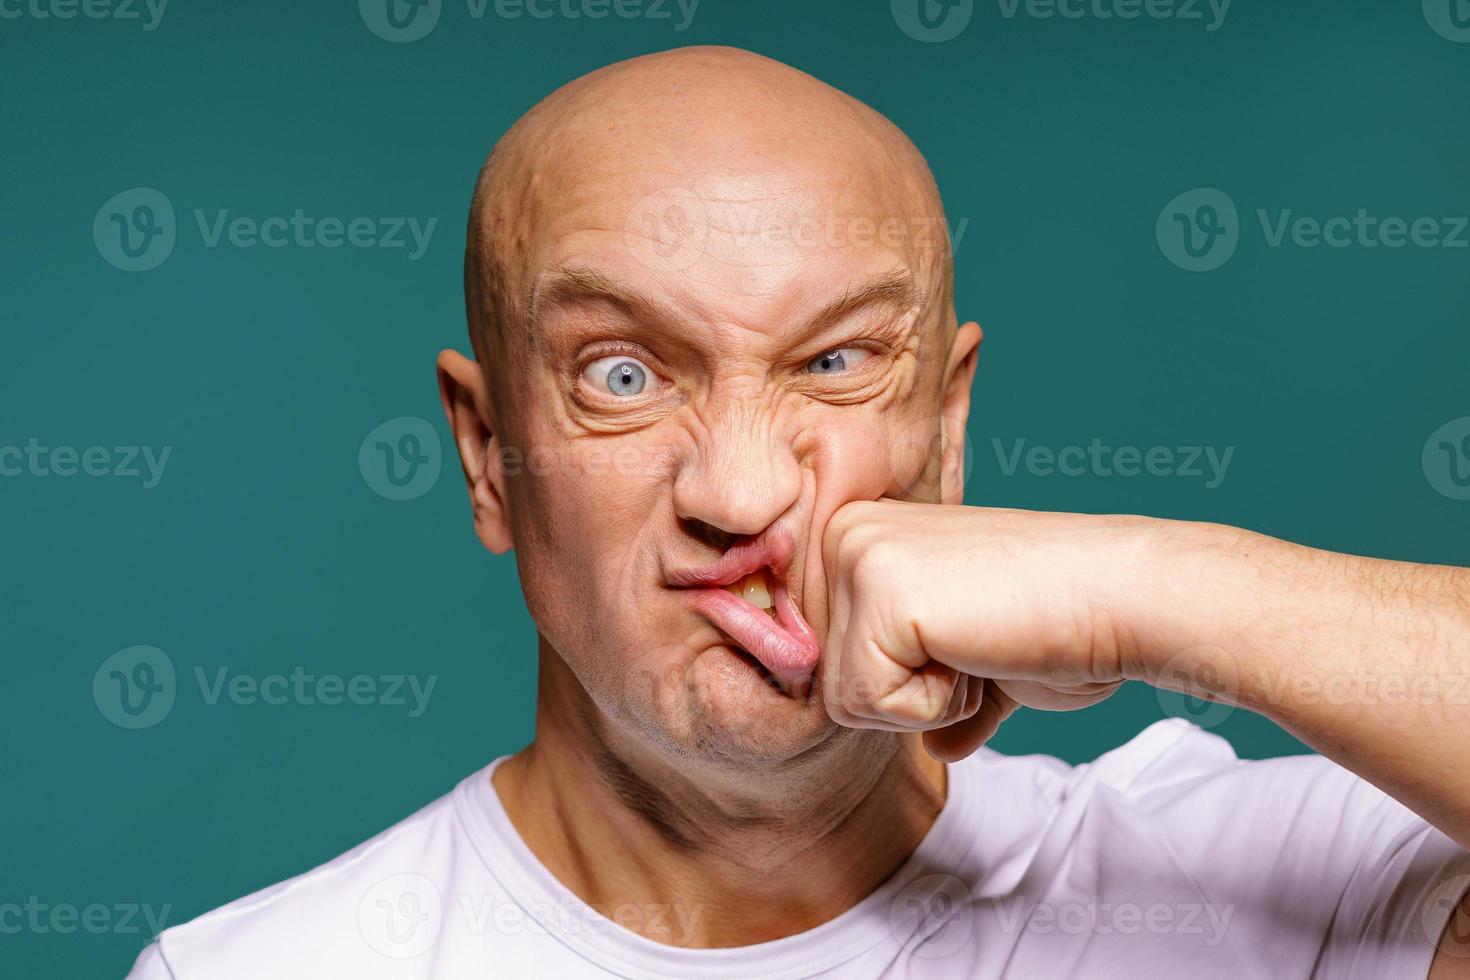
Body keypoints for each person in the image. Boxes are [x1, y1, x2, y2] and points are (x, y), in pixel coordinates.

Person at [127, 46, 1470, 978]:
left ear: (944, 429)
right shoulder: (252, 972)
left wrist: (1152, 593)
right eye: (623, 373)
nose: (740, 492)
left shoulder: (1254, 891)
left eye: (834, 364)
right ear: (488, 455)